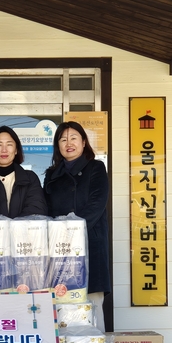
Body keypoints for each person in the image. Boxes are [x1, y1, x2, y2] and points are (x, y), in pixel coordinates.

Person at [43, 121, 110, 330]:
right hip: (60, 249)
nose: (68, 143)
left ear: (83, 142)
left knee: (92, 301)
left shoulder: (96, 168)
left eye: (73, 138)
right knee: (64, 301)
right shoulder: (51, 176)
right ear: (58, 146)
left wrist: (74, 232)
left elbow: (97, 204)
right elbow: (47, 212)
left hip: (89, 243)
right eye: (63, 139)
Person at [0, 126, 48, 218]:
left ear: (16, 150)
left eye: (9, 144)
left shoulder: (30, 178)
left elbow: (36, 210)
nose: (4, 150)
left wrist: (13, 229)